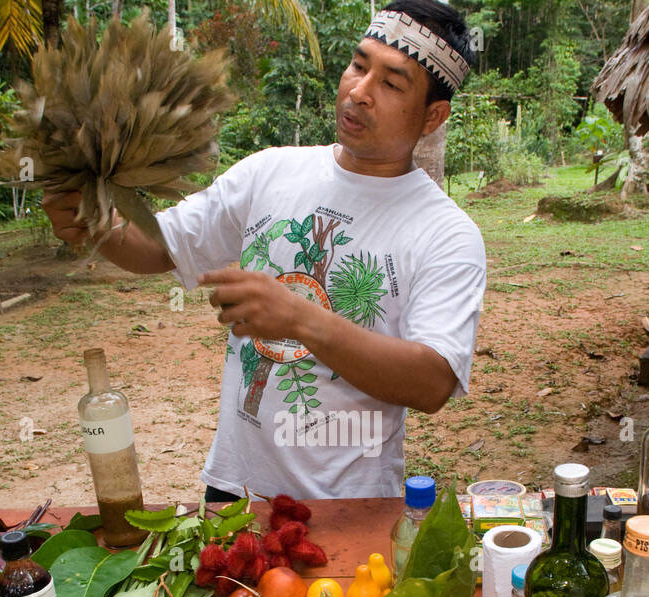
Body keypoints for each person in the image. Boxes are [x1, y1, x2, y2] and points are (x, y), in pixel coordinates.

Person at [44, 0, 486, 503]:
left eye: (390, 83)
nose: (359, 92)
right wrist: (99, 225)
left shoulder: (447, 234)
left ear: (433, 116)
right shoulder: (271, 172)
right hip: (235, 491)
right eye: (359, 66)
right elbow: (161, 247)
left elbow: (431, 382)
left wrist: (301, 319)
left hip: (352, 504)